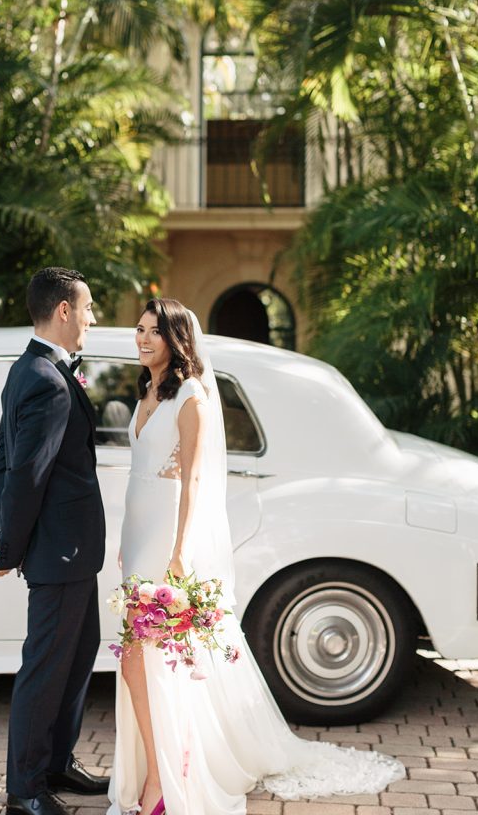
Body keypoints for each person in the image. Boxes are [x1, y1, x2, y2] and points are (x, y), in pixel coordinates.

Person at [108, 298, 405, 815]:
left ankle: (164, 780)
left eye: (155, 331)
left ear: (176, 340)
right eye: (140, 329)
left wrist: (180, 552)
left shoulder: (192, 397)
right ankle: (154, 771)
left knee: (154, 662)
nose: (143, 338)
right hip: (139, 538)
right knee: (138, 662)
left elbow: (194, 480)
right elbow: (141, 476)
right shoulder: (146, 392)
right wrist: (125, 540)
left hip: (169, 541)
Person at [0, 267, 110, 815]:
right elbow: (25, 474)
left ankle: (56, 762)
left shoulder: (27, 369)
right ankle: (26, 790)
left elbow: (3, 457)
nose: (92, 319)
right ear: (64, 311)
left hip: (71, 550)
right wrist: (9, 547)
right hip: (60, 550)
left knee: (77, 656)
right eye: (88, 308)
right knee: (46, 667)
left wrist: (3, 531)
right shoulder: (47, 380)